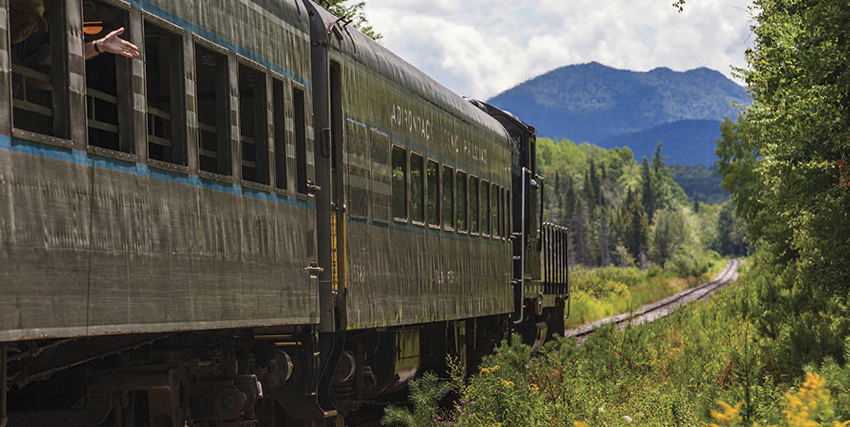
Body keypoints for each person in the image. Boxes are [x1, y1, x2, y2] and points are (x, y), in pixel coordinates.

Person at [10, 0, 140, 96]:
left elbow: (62, 56)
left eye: (32, 25)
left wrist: (100, 45)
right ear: (6, 10)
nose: (25, 28)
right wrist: (56, 85)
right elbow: (17, 72)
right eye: (22, 18)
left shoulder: (23, 47)